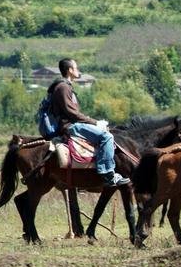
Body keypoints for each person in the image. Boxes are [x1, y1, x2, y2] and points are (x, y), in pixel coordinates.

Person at [49, 58, 130, 187]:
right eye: (76, 68)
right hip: (70, 126)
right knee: (107, 136)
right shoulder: (63, 87)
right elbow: (72, 114)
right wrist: (95, 122)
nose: (78, 70)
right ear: (70, 70)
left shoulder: (64, 86)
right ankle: (108, 174)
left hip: (72, 124)